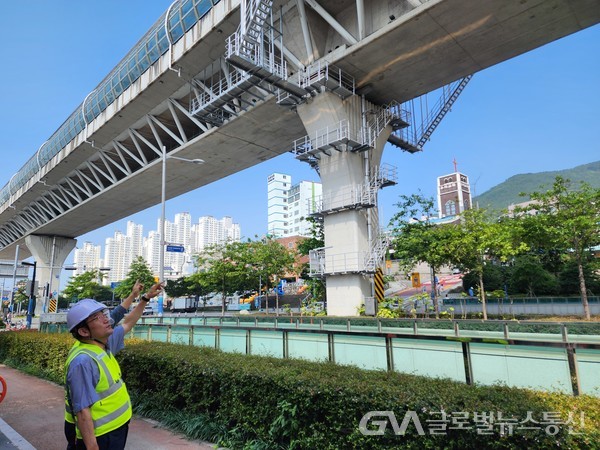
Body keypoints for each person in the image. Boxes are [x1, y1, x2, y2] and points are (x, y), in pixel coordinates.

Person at [64, 280, 163, 450]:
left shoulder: (104, 342)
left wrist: (144, 299)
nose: (106, 319)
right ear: (83, 331)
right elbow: (82, 410)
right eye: (97, 317)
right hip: (100, 435)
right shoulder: (83, 361)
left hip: (115, 429)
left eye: (103, 313)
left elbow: (127, 322)